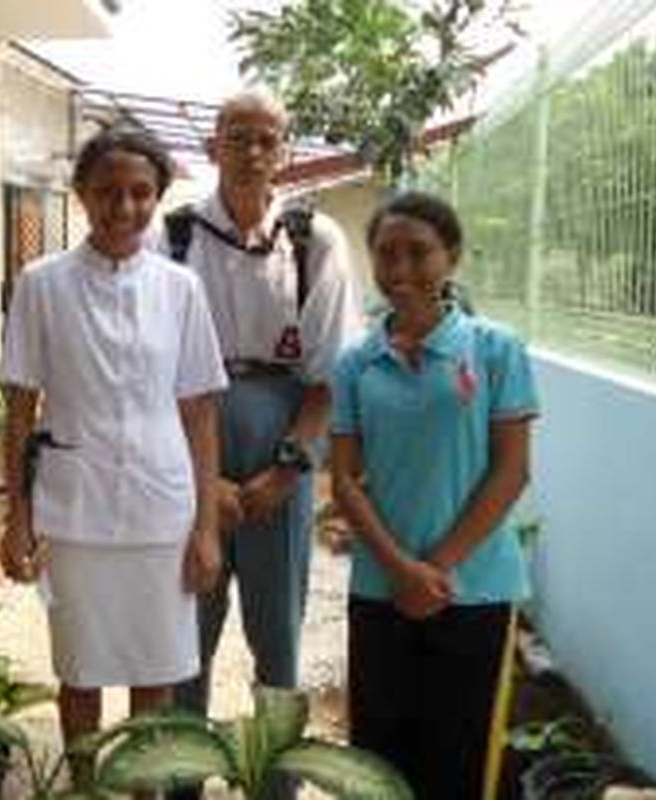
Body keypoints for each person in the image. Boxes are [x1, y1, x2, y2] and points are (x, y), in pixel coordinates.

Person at [0, 125, 227, 791]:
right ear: (80, 194)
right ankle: (87, 786)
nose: (123, 208)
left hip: (163, 507)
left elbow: (200, 413)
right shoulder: (41, 284)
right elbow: (19, 410)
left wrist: (208, 526)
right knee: (80, 671)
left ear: (158, 196)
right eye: (107, 192)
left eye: (140, 193)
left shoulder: (180, 288)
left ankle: (143, 787)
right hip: (73, 509)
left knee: (155, 670)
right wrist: (18, 518)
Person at [166, 91, 362, 800]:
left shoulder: (315, 240)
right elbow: (156, 370)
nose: (252, 152)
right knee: (187, 630)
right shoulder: (176, 236)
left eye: (266, 139)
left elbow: (328, 376)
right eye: (237, 136)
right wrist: (203, 483)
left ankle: (276, 786)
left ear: (285, 151)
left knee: (278, 635)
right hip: (190, 441)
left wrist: (286, 471)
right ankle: (180, 779)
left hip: (285, 439)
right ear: (213, 145)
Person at [331, 191, 538, 799]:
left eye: (418, 253)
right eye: (386, 255)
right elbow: (343, 478)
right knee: (377, 755)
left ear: (452, 256)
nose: (400, 271)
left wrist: (436, 569)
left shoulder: (496, 349)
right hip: (380, 588)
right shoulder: (355, 363)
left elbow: (511, 470)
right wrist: (401, 571)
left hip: (473, 588)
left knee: (459, 754)